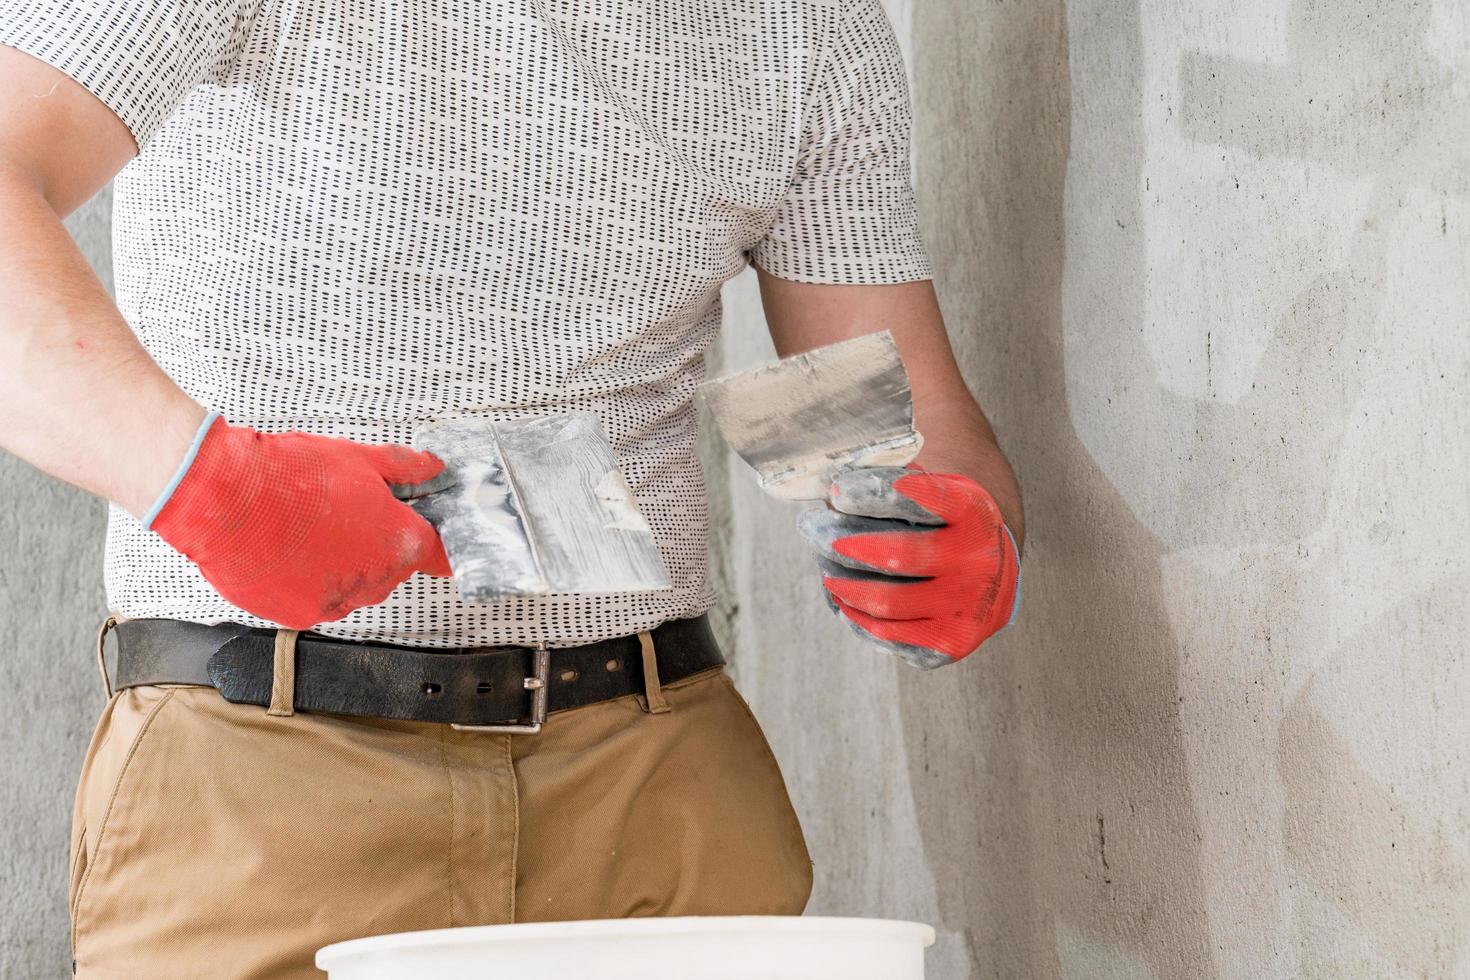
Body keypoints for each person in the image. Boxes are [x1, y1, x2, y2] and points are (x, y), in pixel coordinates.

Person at [0, 0, 1023, 974]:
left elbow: (875, 431)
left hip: (652, 784)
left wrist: (953, 528)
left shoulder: (801, 29)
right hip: (259, 775)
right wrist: (209, 486)